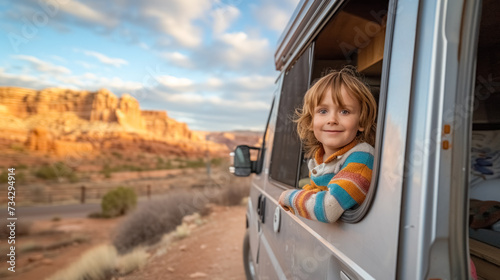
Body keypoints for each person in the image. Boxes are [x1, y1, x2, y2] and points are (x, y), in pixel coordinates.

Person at [278, 66, 377, 223]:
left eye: (344, 111)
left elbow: (328, 208)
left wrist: (287, 196)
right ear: (311, 121)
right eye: (323, 111)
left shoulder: (362, 158)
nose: (332, 120)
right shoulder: (319, 158)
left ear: (361, 121)